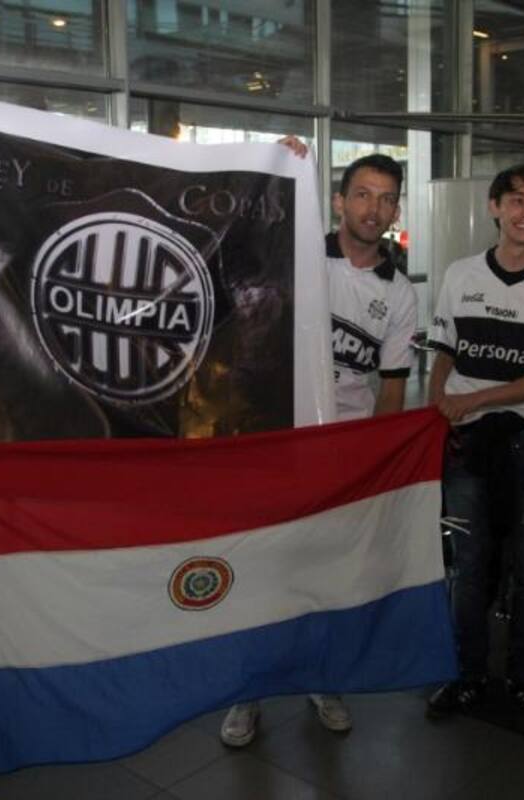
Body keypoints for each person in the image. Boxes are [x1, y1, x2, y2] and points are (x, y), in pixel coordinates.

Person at [220, 147, 418, 747]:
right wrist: (277, 161)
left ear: (394, 208)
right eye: (362, 193)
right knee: (261, 569)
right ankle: (245, 692)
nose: (373, 207)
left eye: (386, 197)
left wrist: (375, 465)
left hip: (342, 455)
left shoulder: (400, 293)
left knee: (327, 576)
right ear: (339, 201)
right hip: (277, 445)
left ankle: (320, 679)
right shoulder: (298, 258)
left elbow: (392, 387)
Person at [424, 164, 524, 728]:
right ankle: (466, 676)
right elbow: (444, 347)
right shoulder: (460, 274)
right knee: (468, 567)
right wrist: (439, 393)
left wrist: (474, 400)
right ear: (494, 208)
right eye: (515, 200)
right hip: (468, 442)